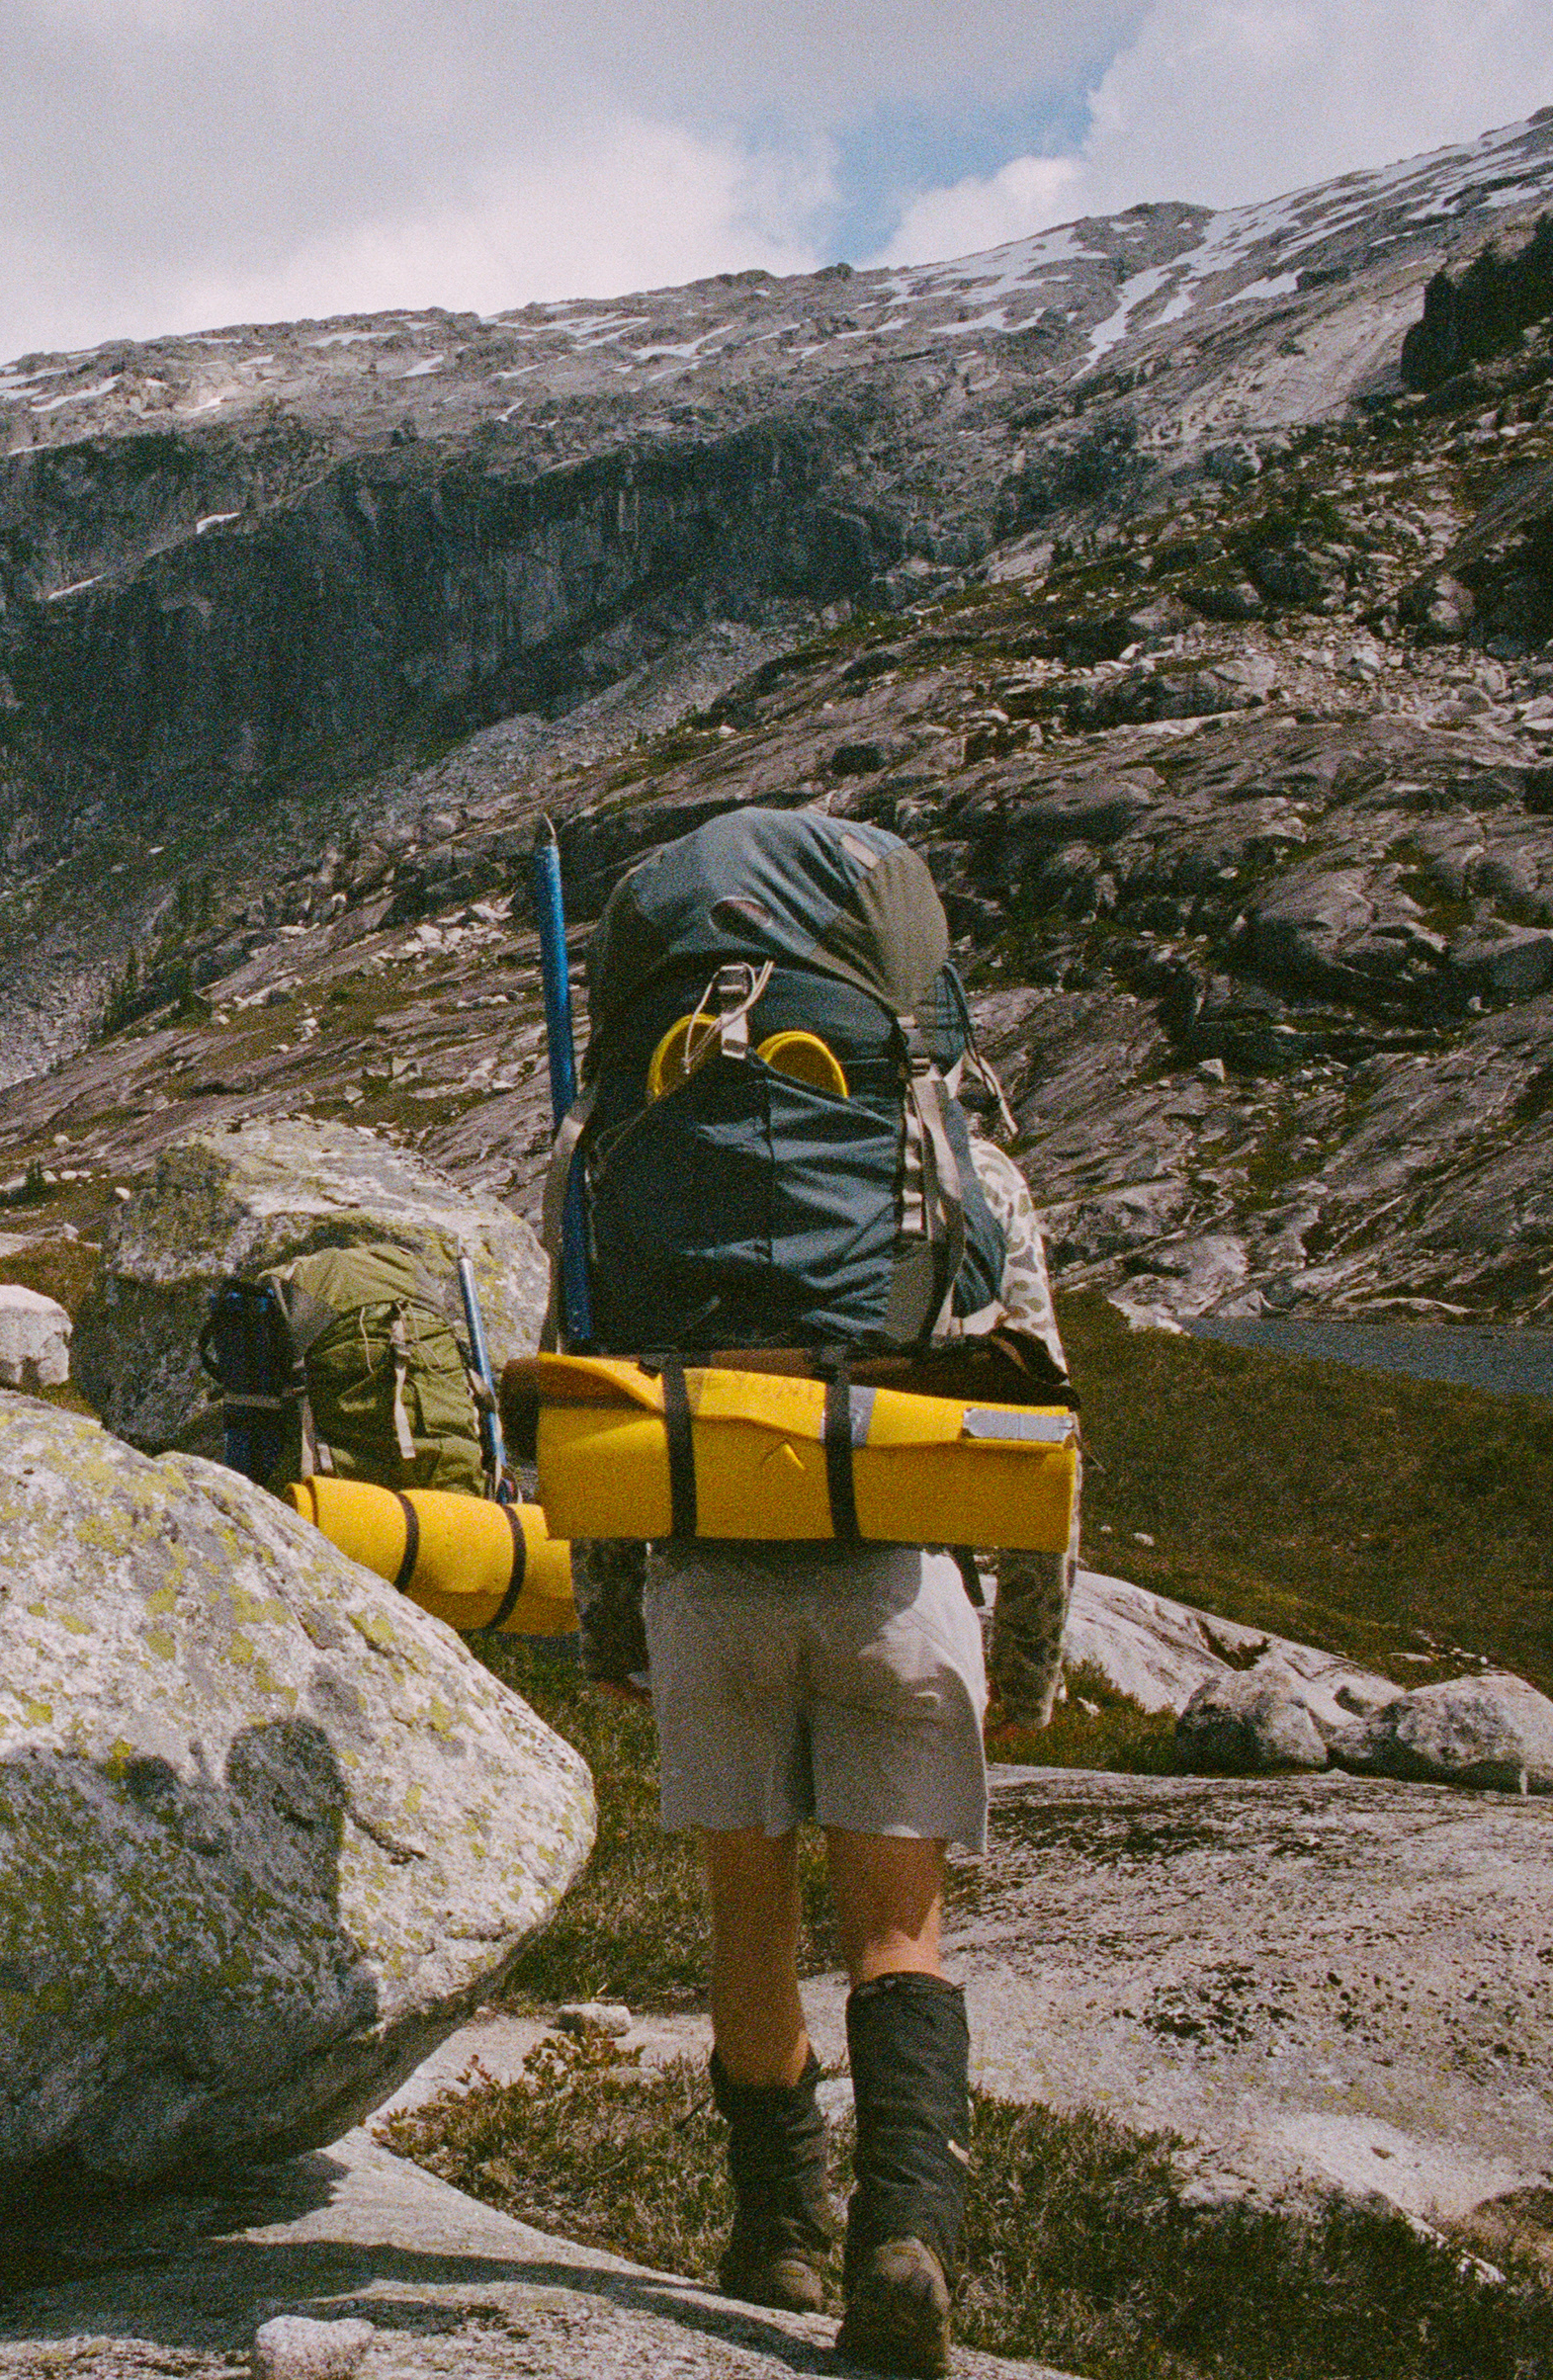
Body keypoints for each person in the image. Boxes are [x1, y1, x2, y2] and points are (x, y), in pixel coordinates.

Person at [555, 811, 1073, 2380]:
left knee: (749, 1913)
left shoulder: (613, 1150)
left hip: (709, 1580)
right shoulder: (956, 1155)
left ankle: (776, 2231)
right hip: (895, 1573)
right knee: (896, 1925)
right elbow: (1039, 1411)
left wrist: (610, 1624)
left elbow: (589, 1392)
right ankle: (903, 2239)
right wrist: (1029, 1659)